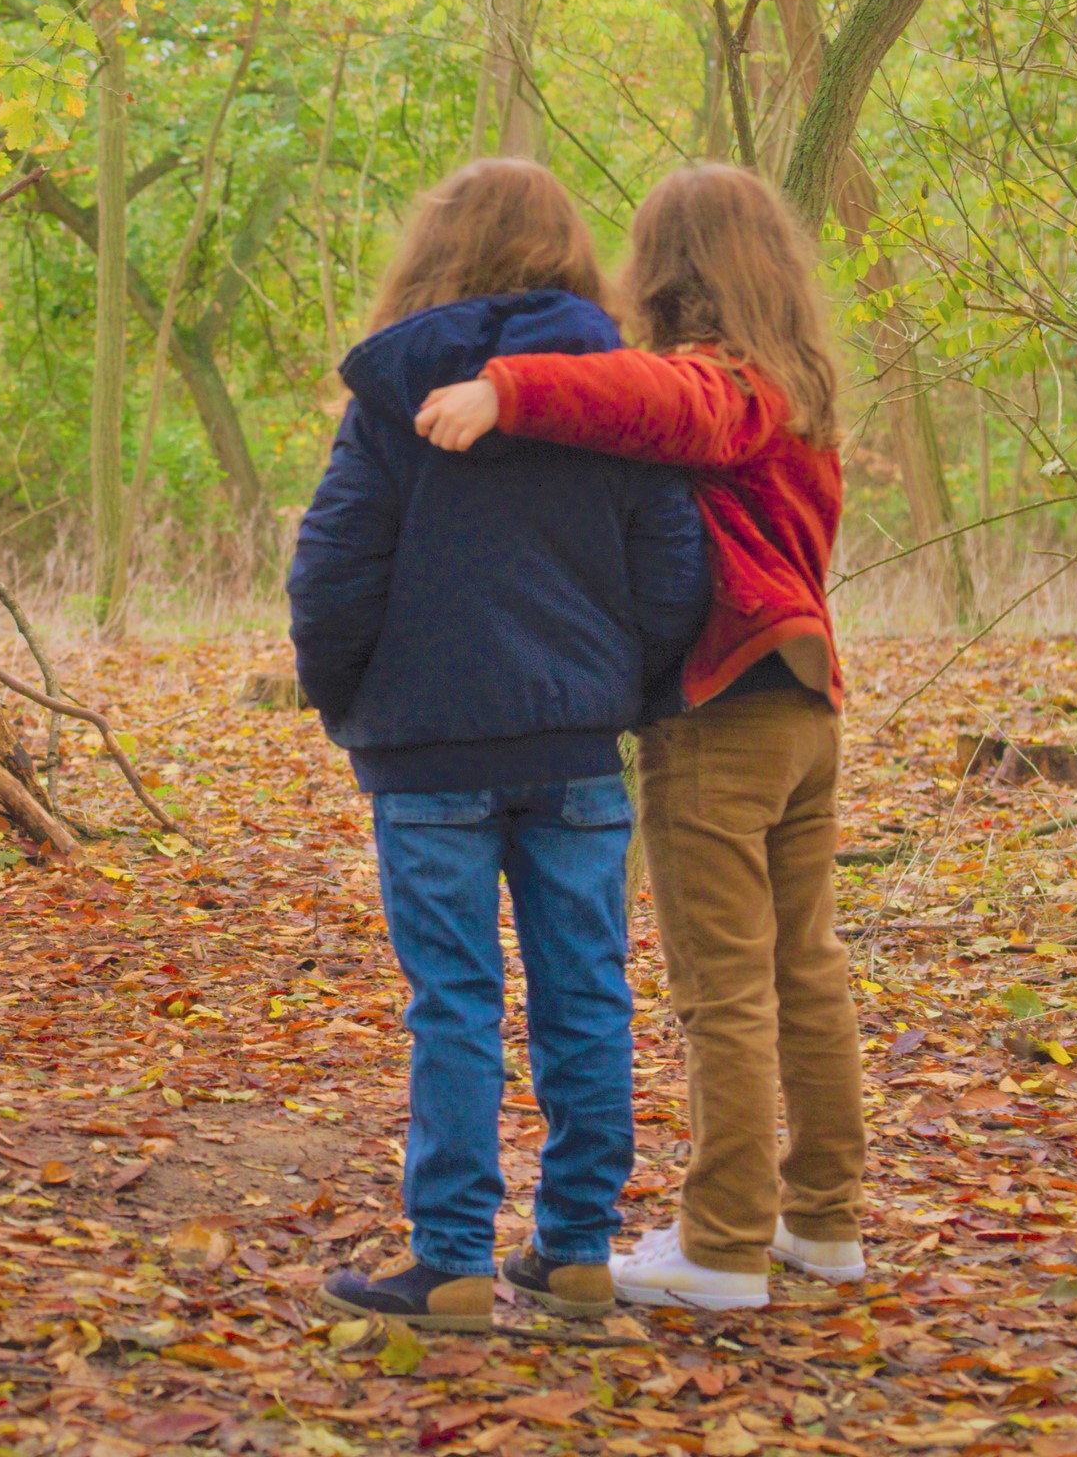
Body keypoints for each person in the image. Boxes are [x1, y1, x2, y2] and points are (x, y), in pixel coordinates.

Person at [413, 161, 862, 1312]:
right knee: (802, 974)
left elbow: (661, 404)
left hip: (727, 715)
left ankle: (720, 1248)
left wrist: (508, 390)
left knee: (727, 990)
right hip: (805, 709)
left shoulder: (725, 385)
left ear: (668, 269)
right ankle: (822, 1224)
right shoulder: (798, 385)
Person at [289, 159, 707, 1331]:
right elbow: (674, 573)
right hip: (574, 744)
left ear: (434, 254)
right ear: (571, 259)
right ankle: (576, 1250)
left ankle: (455, 1260)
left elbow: (332, 576)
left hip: (429, 752)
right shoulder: (617, 402)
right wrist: (614, 691)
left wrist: (354, 705)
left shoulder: (393, 404)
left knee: (457, 1002)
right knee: (586, 990)